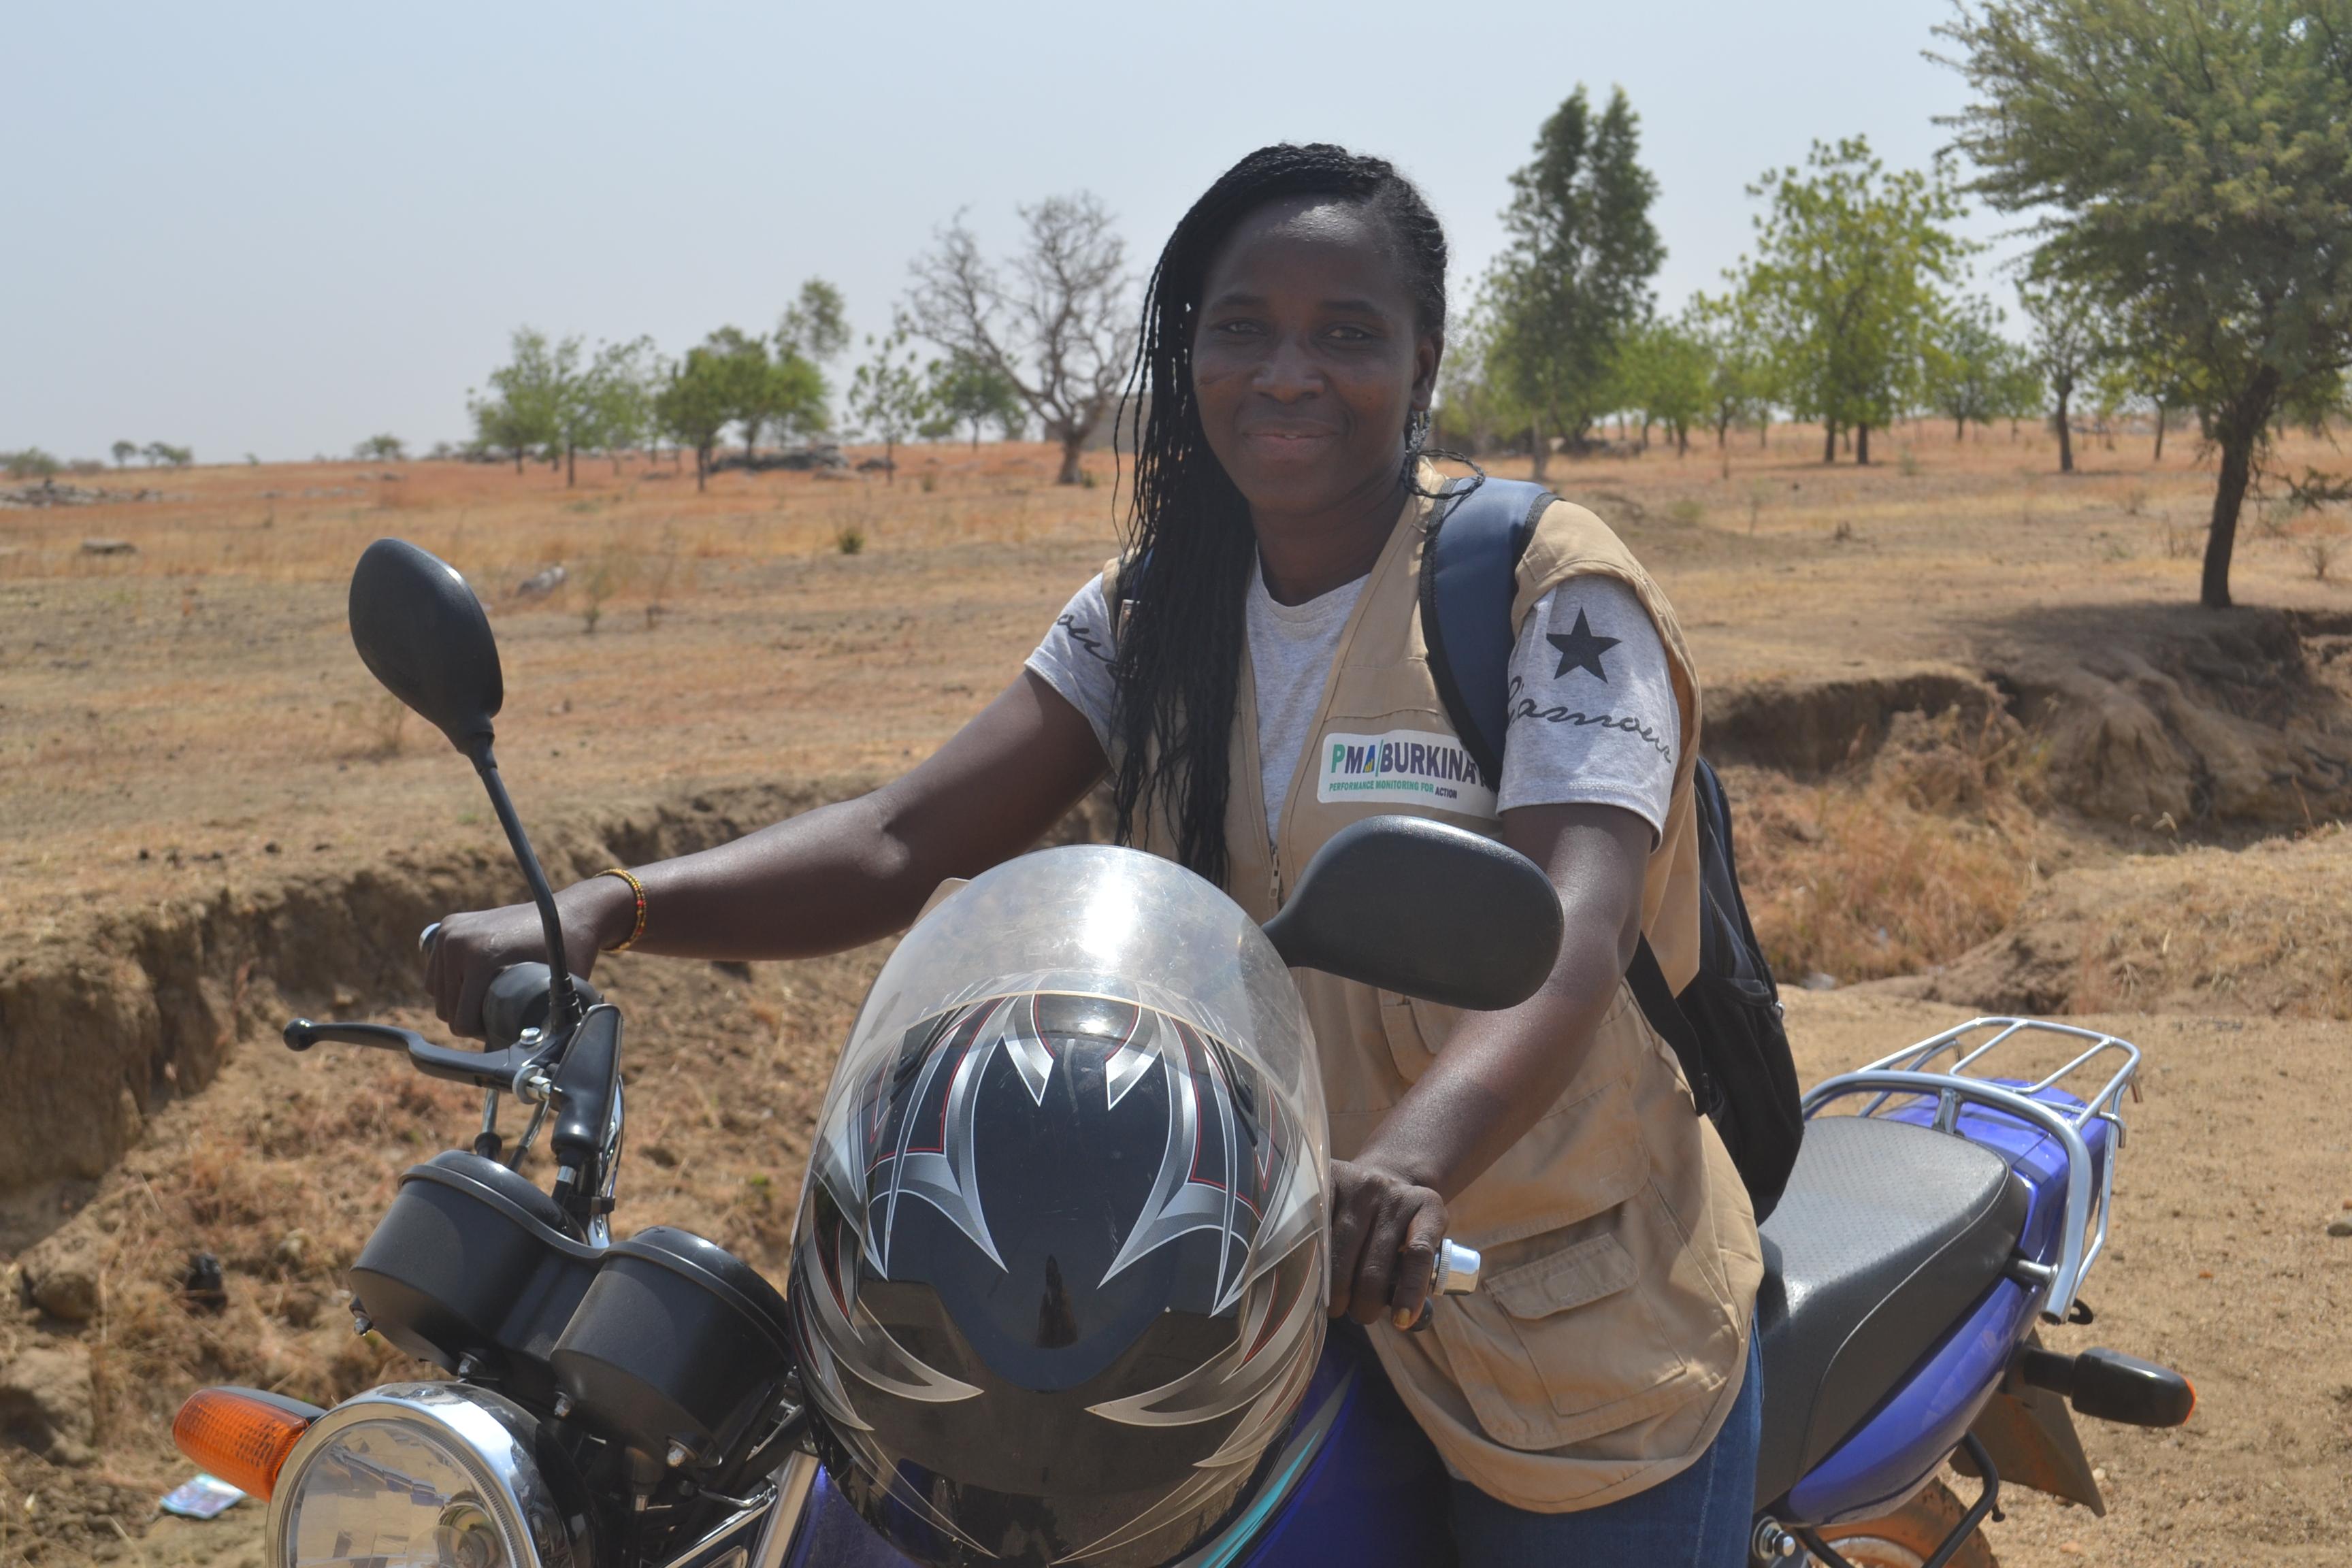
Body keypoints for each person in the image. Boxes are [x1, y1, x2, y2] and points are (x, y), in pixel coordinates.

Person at [428, 143, 1763, 1565]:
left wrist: (1409, 1165)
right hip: (1210, 1316)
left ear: (1423, 357)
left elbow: (1577, 920)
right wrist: (606, 907)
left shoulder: (1547, 593)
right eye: (1242, 326)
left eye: (1346, 333)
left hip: (1556, 1331)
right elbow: (902, 839)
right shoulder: (1153, 610)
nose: (1286, 371)